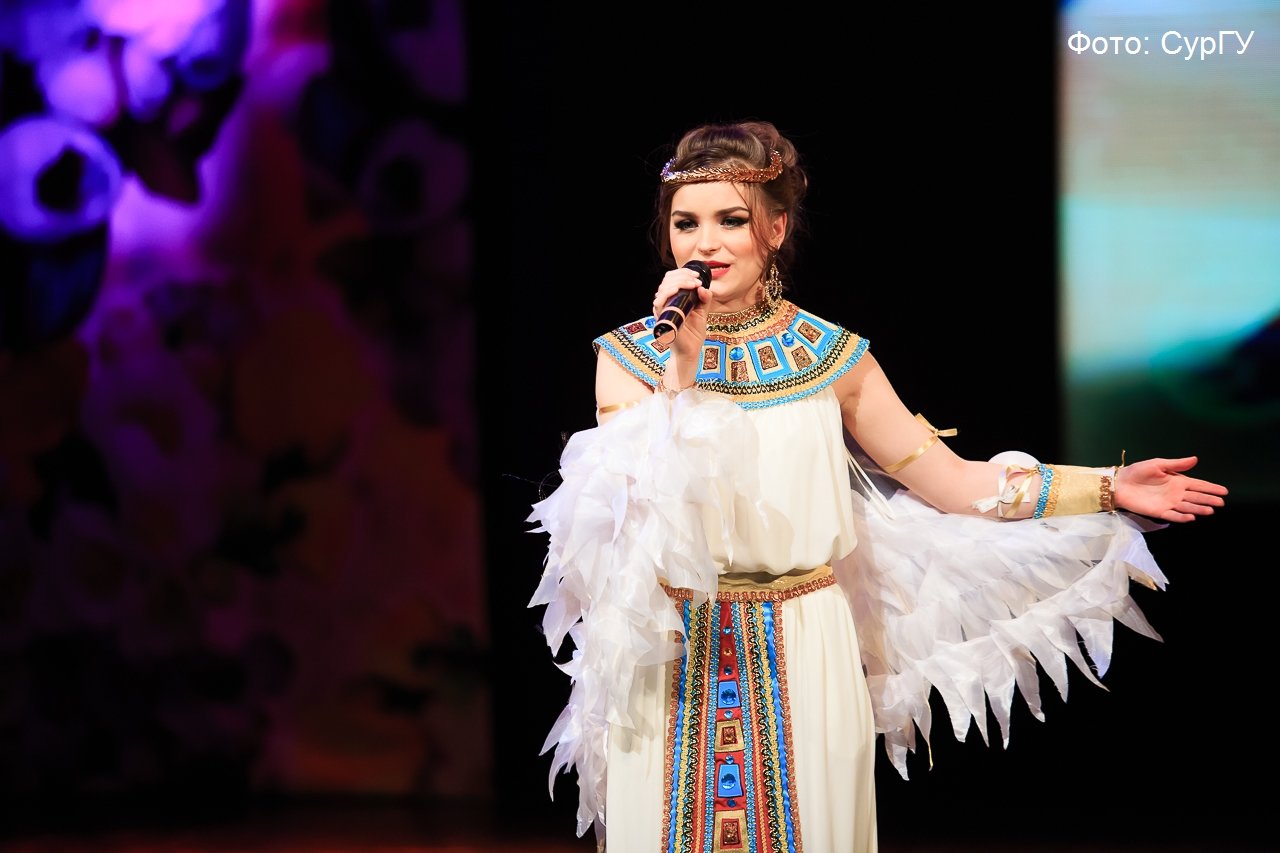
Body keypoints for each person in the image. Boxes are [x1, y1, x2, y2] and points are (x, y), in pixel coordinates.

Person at [526, 119, 1227, 853]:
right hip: (674, 649)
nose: (706, 243)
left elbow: (955, 483)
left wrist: (1107, 486)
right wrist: (684, 365)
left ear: (775, 228)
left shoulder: (832, 357)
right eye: (686, 223)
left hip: (804, 640)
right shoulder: (631, 358)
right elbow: (644, 507)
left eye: (731, 220)